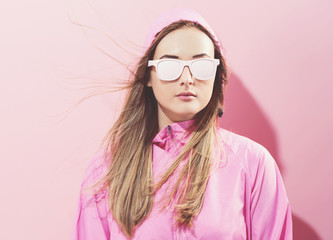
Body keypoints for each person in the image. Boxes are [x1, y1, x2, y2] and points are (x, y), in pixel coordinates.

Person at [72, 8, 292, 239]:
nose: (187, 79)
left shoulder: (252, 163)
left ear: (216, 75)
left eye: (202, 66)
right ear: (148, 76)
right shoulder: (106, 171)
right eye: (170, 66)